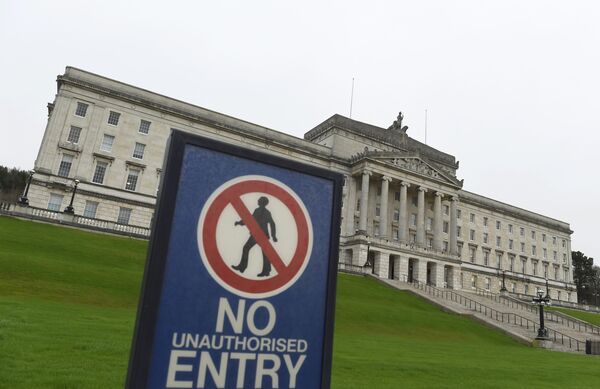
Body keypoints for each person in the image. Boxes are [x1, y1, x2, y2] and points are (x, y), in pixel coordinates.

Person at [232, 196, 277, 277]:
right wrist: (239, 222)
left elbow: (272, 223)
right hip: (256, 234)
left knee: (264, 253)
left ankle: (265, 271)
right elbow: (249, 220)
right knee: (247, 248)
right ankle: (242, 267)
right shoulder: (259, 211)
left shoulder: (266, 212)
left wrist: (274, 236)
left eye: (259, 200)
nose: (258, 201)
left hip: (261, 235)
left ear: (262, 202)